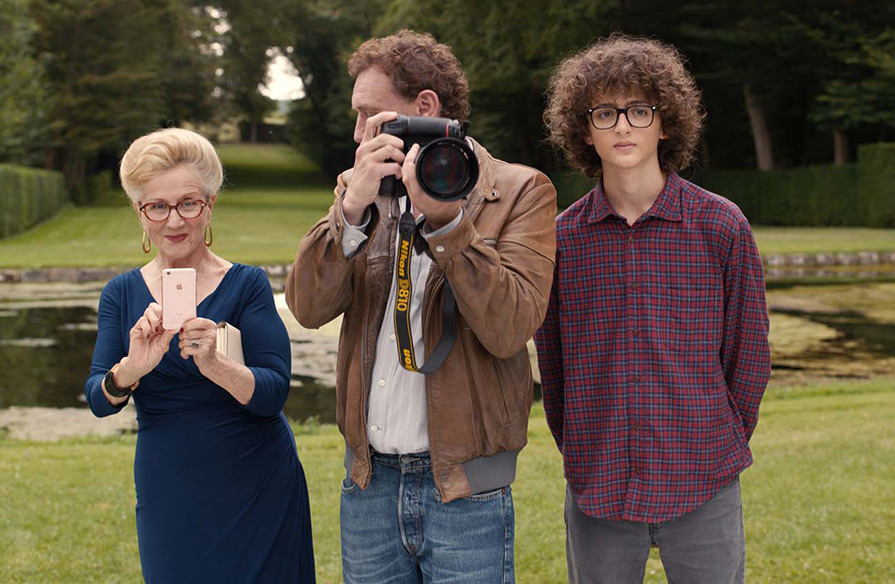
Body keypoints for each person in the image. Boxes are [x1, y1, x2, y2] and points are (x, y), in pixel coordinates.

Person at [285, 30, 557, 583]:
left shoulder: (519, 190)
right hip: (368, 485)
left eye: (368, 115)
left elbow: (511, 329)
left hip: (465, 491)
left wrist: (450, 225)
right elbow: (307, 307)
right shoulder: (362, 190)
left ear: (424, 106)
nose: (358, 132)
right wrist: (352, 211)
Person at [535, 35, 771, 584]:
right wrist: (582, 447)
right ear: (584, 130)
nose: (622, 126)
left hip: (704, 477)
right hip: (599, 484)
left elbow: (750, 356)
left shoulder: (721, 226)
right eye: (605, 112)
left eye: (639, 110)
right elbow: (553, 365)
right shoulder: (561, 240)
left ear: (665, 124)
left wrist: (717, 439)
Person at [84, 128, 314, 583]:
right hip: (170, 486)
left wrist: (216, 365)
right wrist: (132, 367)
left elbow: (273, 393)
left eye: (189, 203)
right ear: (139, 211)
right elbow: (97, 398)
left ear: (209, 205)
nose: (175, 221)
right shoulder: (121, 294)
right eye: (158, 206)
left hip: (259, 481)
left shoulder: (246, 284)